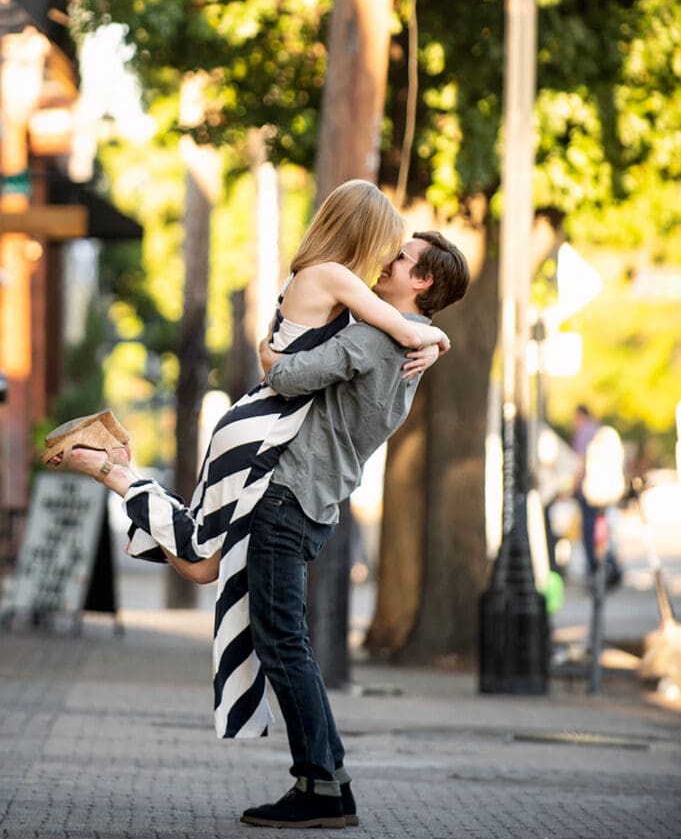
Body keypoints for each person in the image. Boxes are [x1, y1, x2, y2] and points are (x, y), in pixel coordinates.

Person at [45, 229, 470, 829]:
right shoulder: (407, 343)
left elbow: (287, 377)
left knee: (280, 640)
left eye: (401, 258)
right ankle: (330, 783)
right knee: (230, 588)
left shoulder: (379, 336)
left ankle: (320, 785)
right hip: (308, 503)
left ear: (422, 281)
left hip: (284, 498)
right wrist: (435, 332)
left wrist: (273, 355)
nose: (386, 259)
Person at [571, 404, 622, 588]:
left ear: (579, 415)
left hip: (590, 491)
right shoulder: (599, 430)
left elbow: (581, 462)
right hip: (607, 492)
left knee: (590, 533)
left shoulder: (584, 432)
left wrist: (572, 488)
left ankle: (598, 569)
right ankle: (609, 567)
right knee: (602, 530)